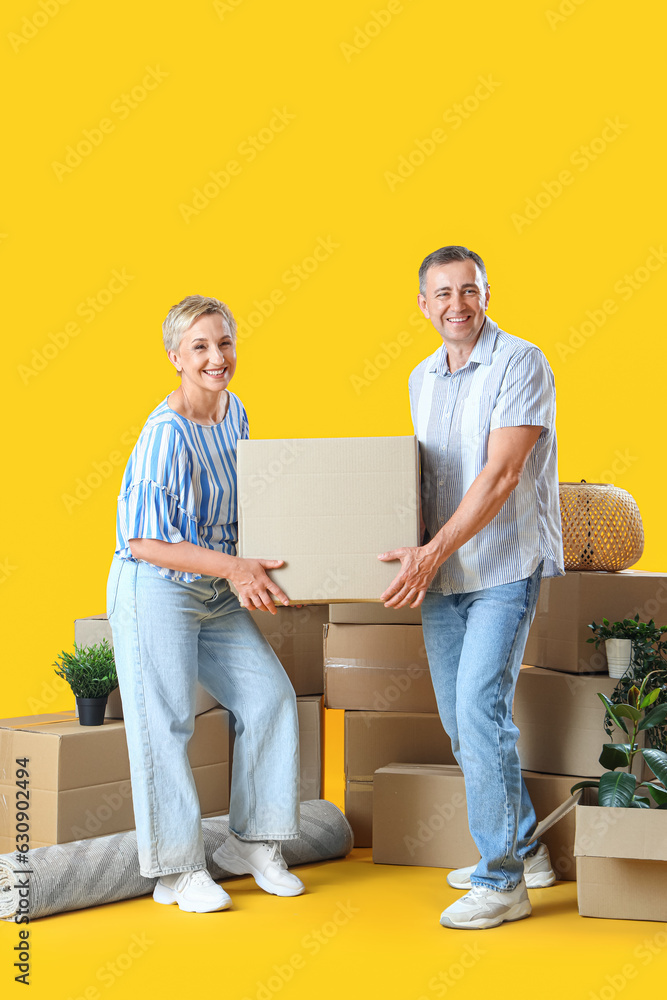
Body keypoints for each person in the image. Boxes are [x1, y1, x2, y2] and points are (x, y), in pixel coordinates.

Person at [378, 246, 564, 930]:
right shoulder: (420, 377)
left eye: (469, 290)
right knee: (462, 724)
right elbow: (422, 478)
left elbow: (500, 475)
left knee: (480, 717)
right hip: (441, 571)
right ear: (423, 305)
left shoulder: (520, 362)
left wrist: (428, 553)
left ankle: (501, 882)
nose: (456, 304)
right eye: (442, 294)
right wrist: (408, 548)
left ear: (487, 294)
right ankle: (524, 849)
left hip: (503, 566)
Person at [107, 295, 304, 913]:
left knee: (269, 698)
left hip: (216, 585)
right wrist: (236, 569)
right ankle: (177, 870)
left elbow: (249, 500)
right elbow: (145, 539)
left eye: (224, 344)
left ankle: (252, 843)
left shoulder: (235, 410)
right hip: (155, 586)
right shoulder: (166, 434)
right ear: (175, 358)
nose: (216, 358)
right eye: (200, 347)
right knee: (165, 722)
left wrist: (276, 562)